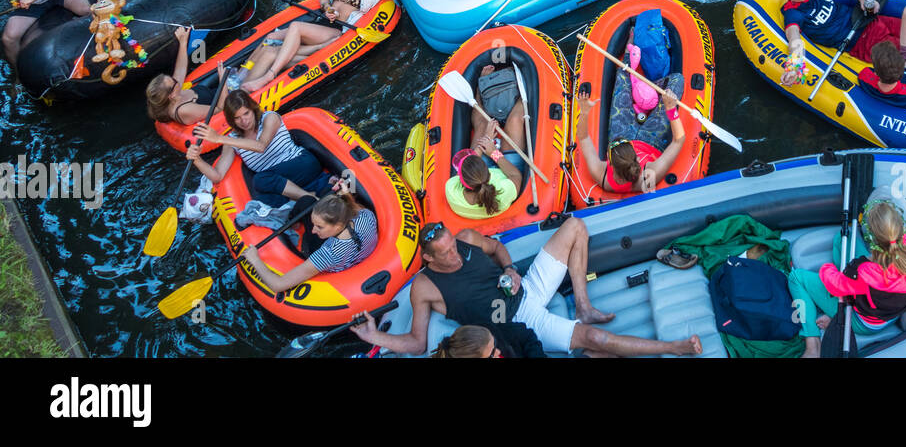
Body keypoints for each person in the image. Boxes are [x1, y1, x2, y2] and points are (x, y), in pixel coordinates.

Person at [350, 218, 702, 356]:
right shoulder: (424, 288)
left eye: (454, 247)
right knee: (595, 339)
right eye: (445, 254)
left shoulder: (467, 238)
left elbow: (497, 247)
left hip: (525, 288)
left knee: (575, 226)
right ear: (428, 259)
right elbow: (416, 342)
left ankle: (582, 304)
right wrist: (372, 337)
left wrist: (508, 268)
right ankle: (676, 347)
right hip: (517, 323)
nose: (455, 255)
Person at [237, 0, 411, 93]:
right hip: (322, 21)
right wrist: (328, 8)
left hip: (337, 31)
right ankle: (240, 77)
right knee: (270, 38)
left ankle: (269, 75)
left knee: (296, 27)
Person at [790, 197, 906, 356]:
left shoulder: (863, 273)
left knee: (796, 277)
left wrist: (828, 268)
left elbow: (834, 284)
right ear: (900, 228)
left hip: (862, 322)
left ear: (873, 239)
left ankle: (813, 345)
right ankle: (833, 313)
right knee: (842, 238)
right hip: (888, 313)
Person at [187, 90, 333, 206]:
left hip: (302, 163)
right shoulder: (232, 141)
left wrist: (218, 138)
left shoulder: (269, 118)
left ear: (252, 109)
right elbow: (217, 176)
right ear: (232, 120)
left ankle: (309, 198)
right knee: (262, 201)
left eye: (246, 113)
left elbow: (261, 146)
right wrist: (196, 159)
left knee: (260, 180)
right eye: (237, 118)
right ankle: (317, 191)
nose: (244, 121)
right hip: (282, 182)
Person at [241, 192, 379, 294]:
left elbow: (278, 285)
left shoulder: (328, 254)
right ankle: (299, 221)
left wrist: (255, 259)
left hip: (340, 258)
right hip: (354, 250)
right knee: (308, 201)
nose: (313, 230)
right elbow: (352, 206)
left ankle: (292, 224)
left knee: (306, 201)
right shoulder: (365, 215)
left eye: (319, 227)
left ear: (338, 226)